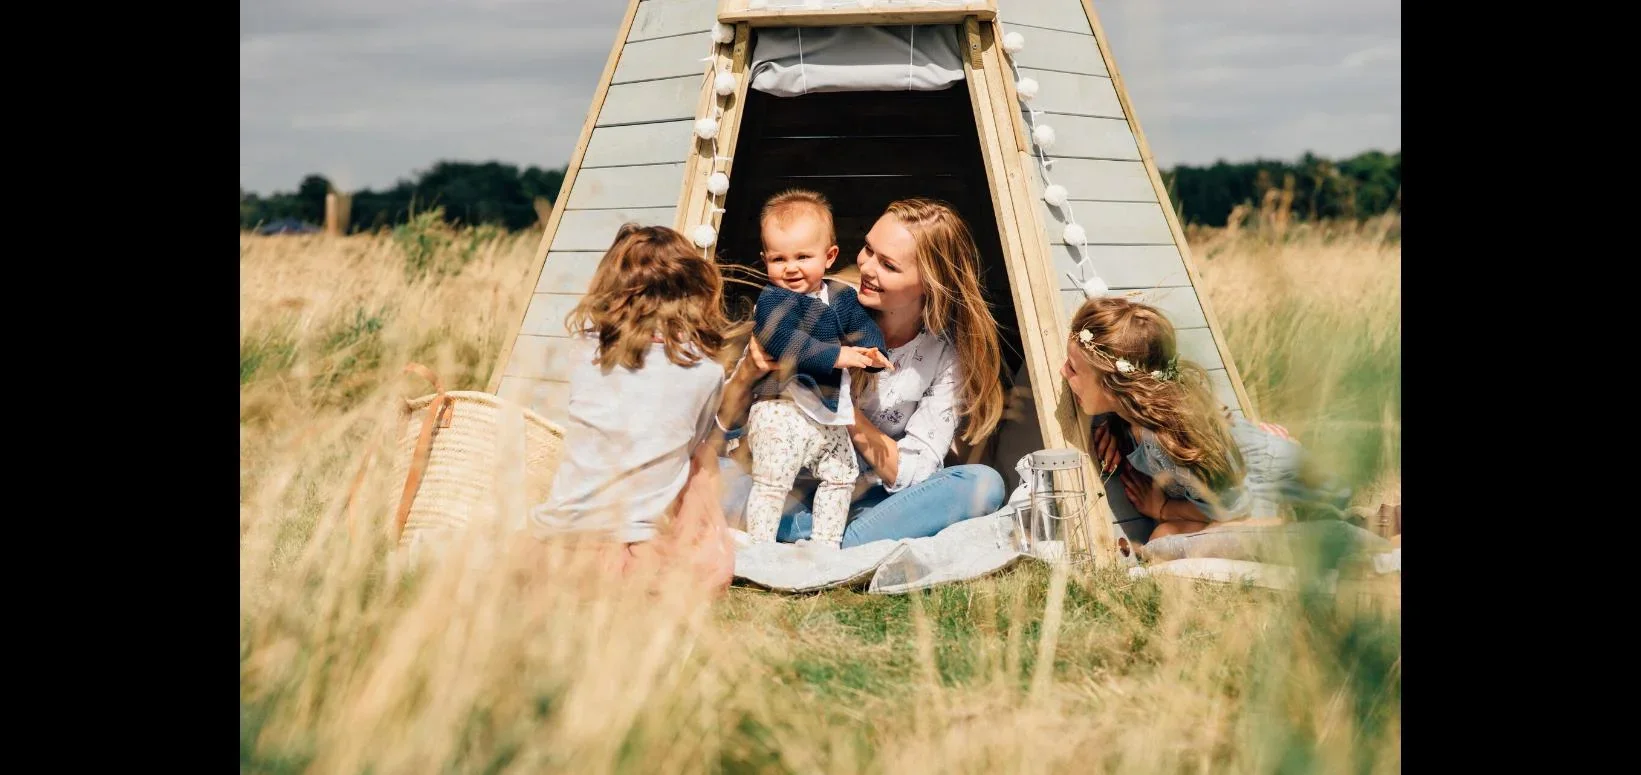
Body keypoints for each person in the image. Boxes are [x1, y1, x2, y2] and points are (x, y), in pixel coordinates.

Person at [714, 198, 1008, 547]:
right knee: (703, 470)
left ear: (928, 282)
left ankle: (814, 533)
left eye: (888, 265)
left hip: (869, 499)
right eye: (869, 249)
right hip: (783, 484)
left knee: (984, 484)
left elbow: (915, 473)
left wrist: (841, 410)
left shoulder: (943, 356)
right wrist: (748, 372)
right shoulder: (821, 302)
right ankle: (839, 539)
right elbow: (722, 432)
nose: (866, 267)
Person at [526, 223, 742, 590]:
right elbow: (692, 447)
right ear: (693, 291)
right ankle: (693, 541)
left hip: (556, 539)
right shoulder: (705, 373)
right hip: (631, 550)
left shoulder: (586, 352)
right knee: (707, 458)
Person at [1058, 294, 1352, 542]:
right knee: (1167, 537)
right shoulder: (1129, 417)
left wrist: (1162, 509)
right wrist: (1106, 425)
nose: (1062, 372)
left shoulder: (1168, 437)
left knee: (1164, 538)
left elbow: (1232, 509)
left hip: (1293, 493)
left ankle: (1307, 526)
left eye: (1073, 368)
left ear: (1114, 385)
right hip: (1253, 487)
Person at [742, 189, 892, 548]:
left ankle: (826, 545)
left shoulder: (841, 297)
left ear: (829, 256)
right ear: (765, 260)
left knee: (842, 474)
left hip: (827, 411)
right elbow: (783, 340)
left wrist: (873, 353)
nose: (790, 268)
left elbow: (862, 328)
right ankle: (759, 548)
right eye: (778, 259)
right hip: (780, 408)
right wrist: (837, 356)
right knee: (772, 480)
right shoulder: (773, 300)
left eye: (803, 256)